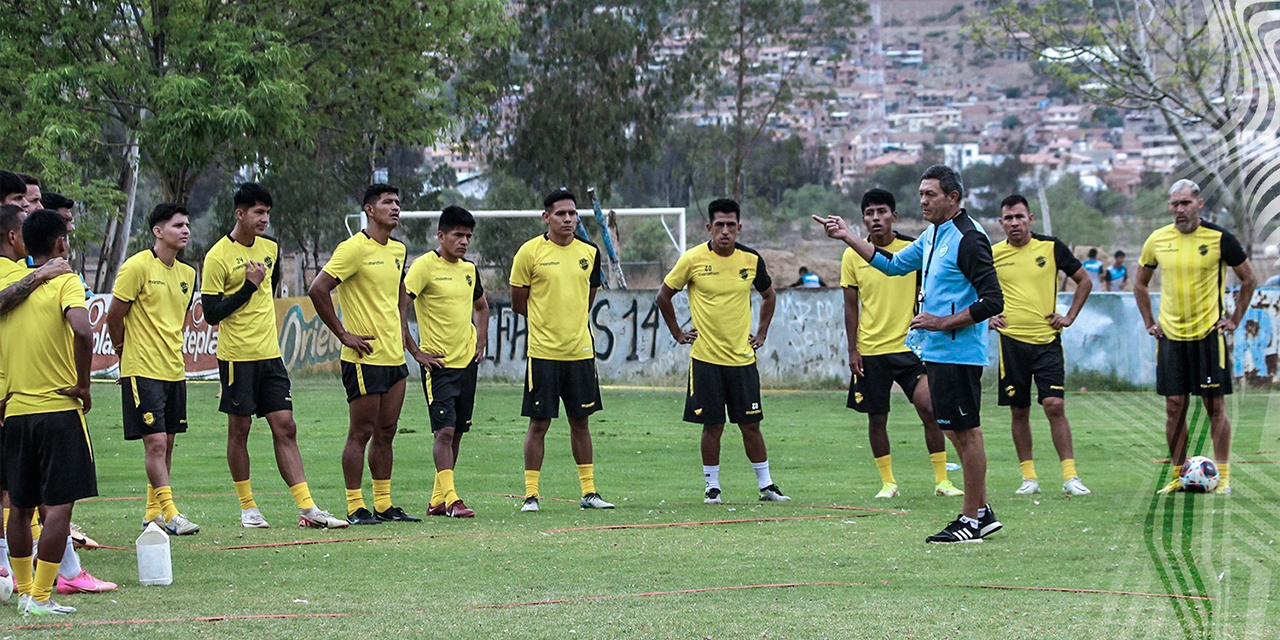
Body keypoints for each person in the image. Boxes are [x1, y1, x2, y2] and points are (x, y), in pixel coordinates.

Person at [815, 164, 1004, 544]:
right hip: (938, 352)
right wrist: (848, 237)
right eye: (920, 194)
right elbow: (894, 264)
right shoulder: (935, 234)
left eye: (930, 194)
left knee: (967, 433)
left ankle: (971, 520)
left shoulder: (968, 238)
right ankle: (980, 510)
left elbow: (992, 300)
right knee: (955, 429)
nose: (922, 200)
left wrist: (942, 321)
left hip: (959, 352)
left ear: (953, 197)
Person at [202, 183, 347, 529]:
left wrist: (257, 287)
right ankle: (248, 507)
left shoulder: (271, 248)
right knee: (240, 429)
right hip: (237, 357)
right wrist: (249, 286)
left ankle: (307, 508)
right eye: (258, 212)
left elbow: (271, 288)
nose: (265, 218)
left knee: (286, 426)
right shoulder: (216, 256)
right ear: (240, 213)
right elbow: (211, 313)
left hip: (271, 355)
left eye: (268, 212)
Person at [657, 198, 790, 504]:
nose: (726, 231)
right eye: (720, 225)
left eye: (731, 225)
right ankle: (712, 487)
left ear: (739, 227)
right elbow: (663, 295)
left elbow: (769, 296)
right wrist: (678, 332)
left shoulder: (751, 260)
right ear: (709, 227)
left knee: (751, 424)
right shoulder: (692, 260)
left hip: (742, 360)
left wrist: (762, 332)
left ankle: (767, 486)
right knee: (712, 425)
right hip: (706, 360)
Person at [0, 209, 94, 615]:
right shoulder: (66, 281)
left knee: (19, 507)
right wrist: (84, 385)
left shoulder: (9, 282)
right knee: (58, 508)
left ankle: (22, 592)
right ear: (60, 244)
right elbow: (83, 329)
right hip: (58, 408)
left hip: (16, 410)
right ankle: (40, 598)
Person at [1135, 179, 1256, 495]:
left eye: (1185, 203)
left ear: (1199, 204)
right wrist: (1150, 321)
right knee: (1174, 406)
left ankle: (1224, 476)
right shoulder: (1158, 240)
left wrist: (1234, 320)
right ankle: (1179, 474)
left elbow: (1249, 279)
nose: (1179, 210)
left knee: (1214, 406)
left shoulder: (1220, 239)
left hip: (1207, 336)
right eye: (1174, 204)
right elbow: (1140, 283)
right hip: (1171, 338)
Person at [840, 189, 962, 499]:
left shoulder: (913, 248)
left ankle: (941, 480)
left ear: (894, 216)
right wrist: (853, 349)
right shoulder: (853, 254)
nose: (875, 218)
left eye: (882, 211)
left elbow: (930, 288)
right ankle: (888, 483)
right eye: (869, 213)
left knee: (930, 408)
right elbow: (851, 306)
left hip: (910, 348)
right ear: (863, 219)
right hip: (871, 350)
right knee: (877, 417)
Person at [310, 184, 417, 525]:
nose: (395, 207)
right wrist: (343, 333)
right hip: (363, 357)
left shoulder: (398, 250)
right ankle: (356, 506)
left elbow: (400, 291)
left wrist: (404, 334)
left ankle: (383, 505)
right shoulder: (354, 248)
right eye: (388, 202)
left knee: (387, 432)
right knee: (361, 433)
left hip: (393, 358)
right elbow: (318, 288)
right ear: (370, 210)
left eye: (398, 202)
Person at [510, 188, 613, 512]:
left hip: (580, 352)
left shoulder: (590, 253)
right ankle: (530, 494)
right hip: (543, 353)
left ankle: (589, 492)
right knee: (539, 423)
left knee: (581, 422)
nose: (568, 219)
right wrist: (547, 320)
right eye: (561, 214)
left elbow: (590, 293)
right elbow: (518, 301)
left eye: (572, 213)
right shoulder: (529, 252)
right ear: (547, 217)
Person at [106, 203, 201, 534]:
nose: (186, 230)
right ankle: (172, 514)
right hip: (142, 369)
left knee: (168, 443)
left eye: (187, 224)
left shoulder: (188, 274)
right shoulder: (137, 268)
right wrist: (122, 351)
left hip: (174, 370)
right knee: (156, 442)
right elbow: (114, 316)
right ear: (158, 232)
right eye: (178, 225)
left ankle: (153, 514)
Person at [990, 195, 1093, 497]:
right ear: (1001, 223)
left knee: (1054, 406)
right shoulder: (993, 254)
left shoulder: (1050, 247)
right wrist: (987, 316)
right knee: (1018, 411)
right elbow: (972, 287)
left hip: (1047, 341)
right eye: (1008, 218)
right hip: (1011, 343)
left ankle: (1071, 476)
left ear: (1030, 219)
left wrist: (1069, 316)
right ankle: (1029, 478)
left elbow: (1084, 280)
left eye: (1019, 217)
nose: (1014, 223)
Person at [402, 205, 488, 519]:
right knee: (444, 433)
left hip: (467, 364)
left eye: (468, 236)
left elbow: (481, 307)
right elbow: (401, 307)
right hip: (438, 366)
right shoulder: (424, 266)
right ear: (441, 235)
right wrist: (415, 350)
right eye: (457, 235)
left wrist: (480, 340)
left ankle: (437, 500)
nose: (464, 241)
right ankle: (452, 500)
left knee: (458, 432)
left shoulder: (469, 270)